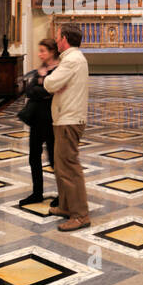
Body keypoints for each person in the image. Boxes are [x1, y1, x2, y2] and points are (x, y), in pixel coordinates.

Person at [43, 24, 90, 231]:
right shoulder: (72, 59)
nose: (55, 40)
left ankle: (80, 215)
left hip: (69, 120)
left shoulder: (71, 60)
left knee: (69, 167)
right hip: (66, 118)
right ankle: (65, 206)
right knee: (61, 167)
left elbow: (50, 83)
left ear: (65, 39)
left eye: (58, 36)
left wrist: (48, 78)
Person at [17, 38, 60, 207]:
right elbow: (29, 90)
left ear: (52, 52)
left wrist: (40, 87)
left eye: (43, 51)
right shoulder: (41, 69)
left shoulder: (58, 70)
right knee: (34, 157)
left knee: (54, 160)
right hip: (36, 120)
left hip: (50, 120)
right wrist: (41, 88)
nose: (40, 54)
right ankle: (37, 192)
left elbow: (52, 90)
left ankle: (62, 194)